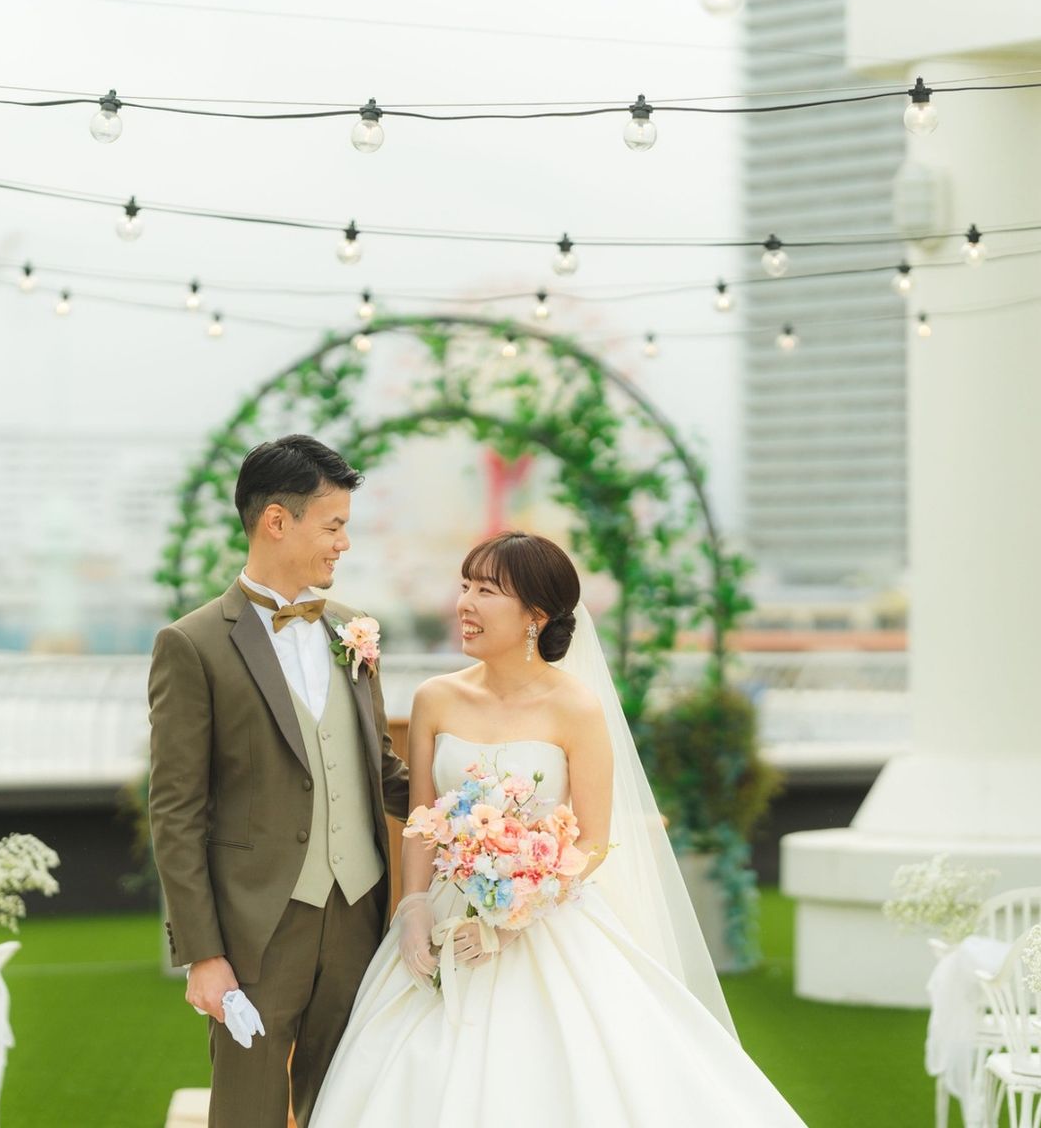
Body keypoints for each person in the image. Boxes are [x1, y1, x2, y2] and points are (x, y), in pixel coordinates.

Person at [309, 531, 808, 1127]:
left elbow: (592, 840)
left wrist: (512, 917)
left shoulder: (577, 707)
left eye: (486, 591)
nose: (465, 603)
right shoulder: (434, 698)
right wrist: (413, 907)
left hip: (543, 919)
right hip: (444, 916)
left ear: (535, 615)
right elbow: (421, 819)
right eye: (464, 586)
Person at [148, 434, 409, 1128]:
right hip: (257, 929)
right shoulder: (192, 644)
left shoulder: (352, 630)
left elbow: (380, 768)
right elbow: (176, 812)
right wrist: (203, 955)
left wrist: (479, 814)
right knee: (248, 1112)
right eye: (333, 525)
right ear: (275, 521)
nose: (344, 543)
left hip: (358, 915)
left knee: (351, 1106)